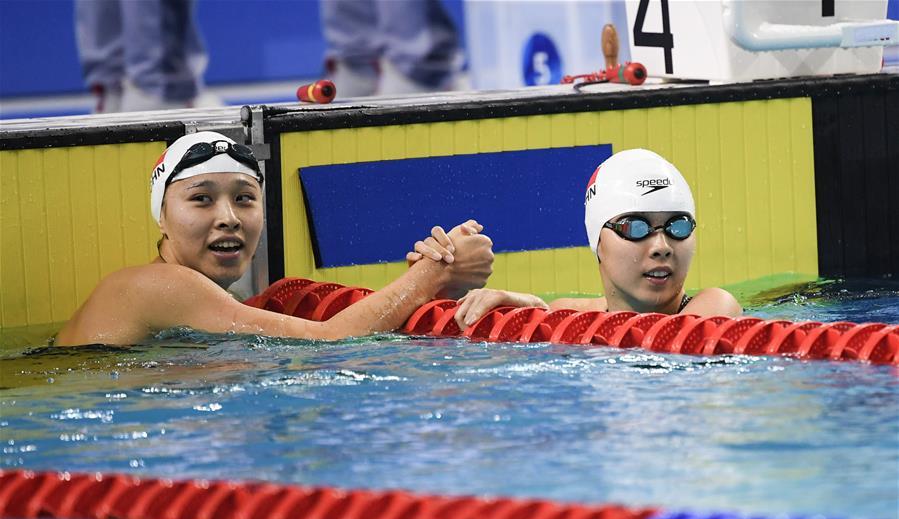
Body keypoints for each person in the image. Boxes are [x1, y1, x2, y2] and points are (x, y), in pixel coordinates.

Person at [55, 131, 493, 346]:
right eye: (201, 200)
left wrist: (437, 289)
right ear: (162, 220)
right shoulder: (158, 286)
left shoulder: (199, 307)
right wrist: (431, 276)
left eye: (245, 199)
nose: (228, 218)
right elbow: (329, 342)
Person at [406, 149, 742, 327]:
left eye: (678, 226)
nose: (662, 247)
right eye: (635, 227)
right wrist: (434, 288)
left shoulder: (715, 306)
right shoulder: (567, 314)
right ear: (597, 241)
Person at [74, 0, 215, 113]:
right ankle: (162, 91)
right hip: (159, 95)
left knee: (113, 78)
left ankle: (115, 96)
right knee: (159, 82)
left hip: (112, 89)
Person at [321, 0, 466, 96]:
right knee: (357, 52)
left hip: (414, 72)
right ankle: (361, 66)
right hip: (355, 61)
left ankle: (422, 73)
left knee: (414, 57)